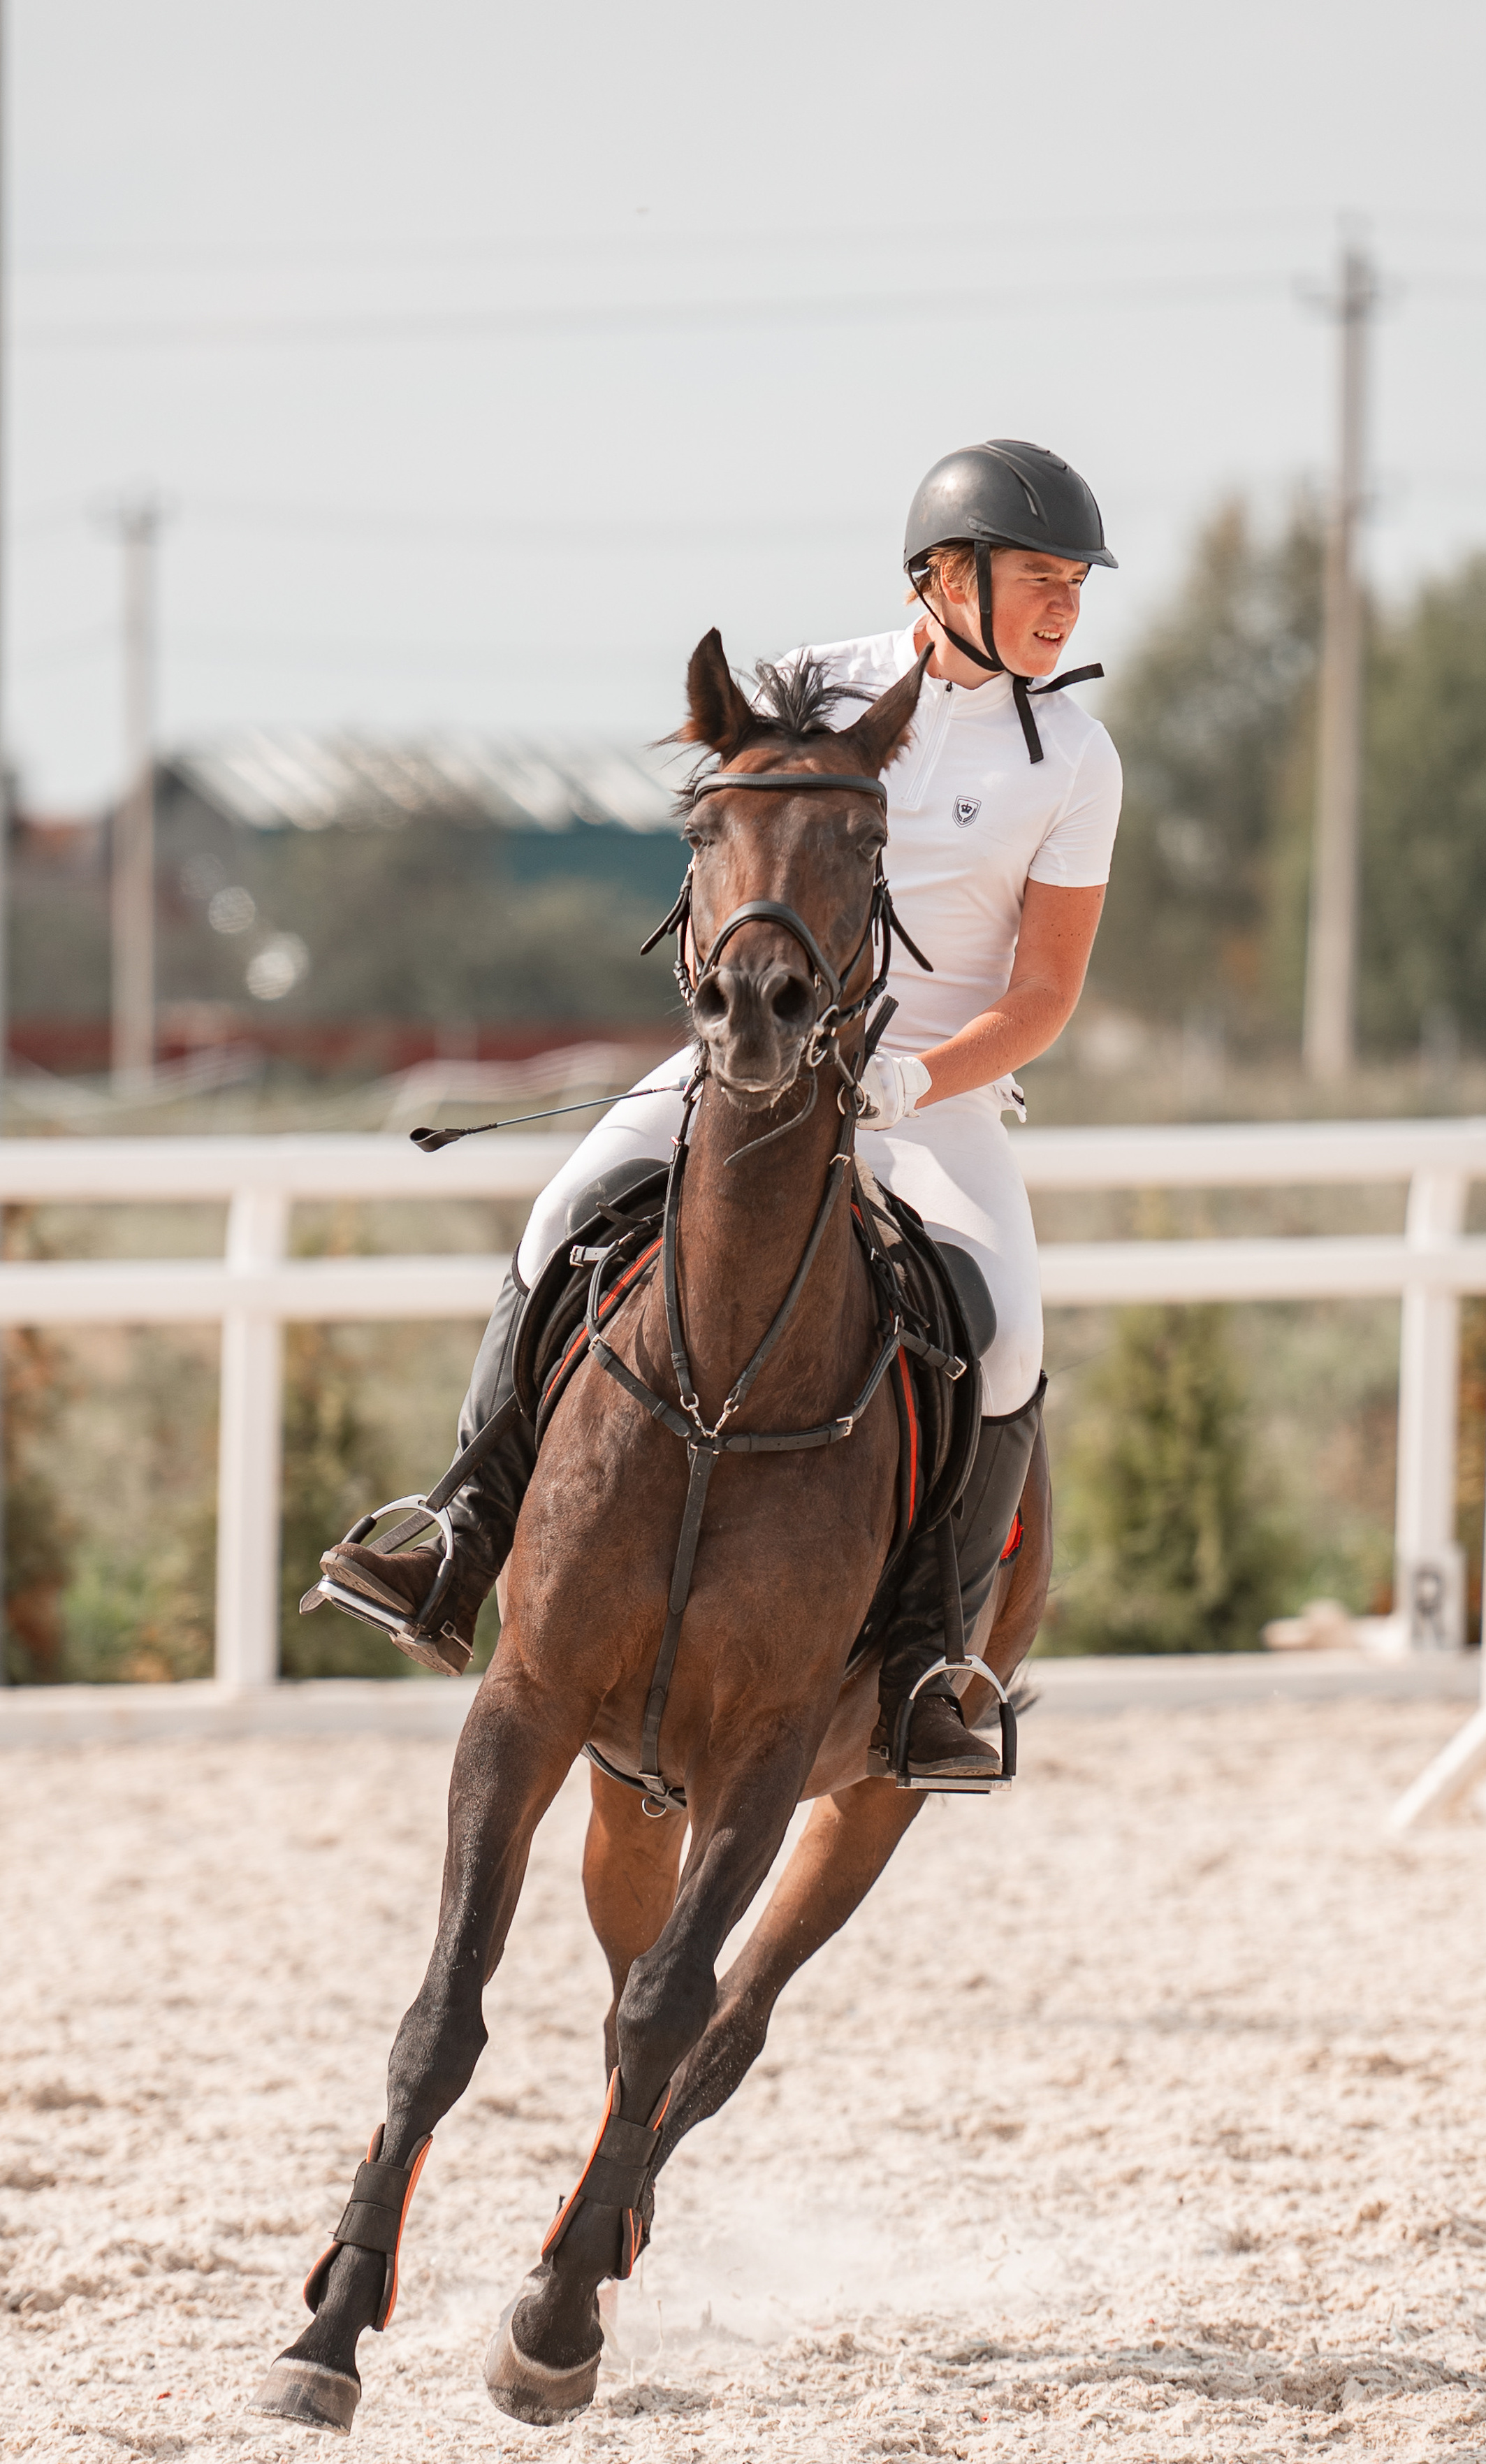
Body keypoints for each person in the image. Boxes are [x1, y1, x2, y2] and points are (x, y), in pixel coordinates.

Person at [316, 438, 1123, 1779]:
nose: (1066, 607)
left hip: (934, 1094)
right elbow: (730, 865)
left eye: (1076, 584)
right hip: (751, 1067)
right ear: (945, 575)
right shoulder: (823, 687)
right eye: (1040, 577)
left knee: (1013, 1341)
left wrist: (913, 1076)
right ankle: (459, 1533)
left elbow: (1045, 992)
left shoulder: (1076, 759)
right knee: (558, 1216)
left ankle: (931, 1659)